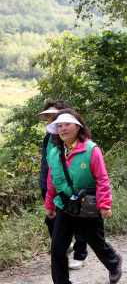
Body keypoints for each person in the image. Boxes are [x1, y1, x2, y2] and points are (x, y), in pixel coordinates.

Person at [44, 109, 122, 284]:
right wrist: (49, 204)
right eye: (60, 125)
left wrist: (105, 205)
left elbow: (102, 179)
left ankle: (114, 261)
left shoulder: (91, 150)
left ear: (78, 127)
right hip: (65, 205)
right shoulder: (55, 153)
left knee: (97, 243)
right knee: (57, 248)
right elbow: (51, 180)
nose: (63, 128)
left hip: (89, 205)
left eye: (67, 124)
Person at [36, 100, 89, 270]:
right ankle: (65, 246)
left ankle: (80, 254)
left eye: (54, 116)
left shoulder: (78, 139)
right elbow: (46, 163)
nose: (52, 120)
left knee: (79, 220)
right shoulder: (49, 138)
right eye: (49, 118)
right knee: (51, 220)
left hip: (75, 189)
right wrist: (44, 183)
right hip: (55, 187)